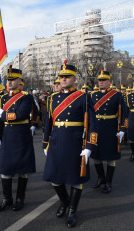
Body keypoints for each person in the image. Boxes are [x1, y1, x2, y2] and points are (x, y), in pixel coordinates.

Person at [42, 60, 97, 228]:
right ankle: (65, 202)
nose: (63, 79)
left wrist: (89, 147)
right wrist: (46, 143)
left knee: (75, 179)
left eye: (67, 77)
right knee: (55, 179)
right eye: (62, 77)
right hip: (57, 141)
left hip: (74, 143)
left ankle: (72, 210)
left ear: (74, 79)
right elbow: (48, 122)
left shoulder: (84, 97)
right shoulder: (52, 98)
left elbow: (93, 124)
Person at [0, 67, 36, 212]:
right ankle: (7, 198)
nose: (9, 82)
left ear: (19, 81)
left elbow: (21, 114)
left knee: (22, 170)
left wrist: (3, 115)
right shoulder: (3, 97)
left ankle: (20, 198)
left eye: (12, 80)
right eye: (8, 80)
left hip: (21, 136)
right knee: (5, 169)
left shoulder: (26, 97)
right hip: (7, 136)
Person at [90, 69, 128, 193]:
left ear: (109, 82)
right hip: (96, 128)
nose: (101, 82)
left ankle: (109, 182)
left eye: (104, 80)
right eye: (100, 80)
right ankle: (101, 178)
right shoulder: (92, 95)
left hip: (110, 128)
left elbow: (124, 113)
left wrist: (123, 128)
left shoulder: (116, 94)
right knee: (96, 155)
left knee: (110, 157)